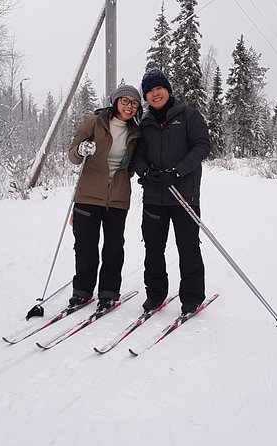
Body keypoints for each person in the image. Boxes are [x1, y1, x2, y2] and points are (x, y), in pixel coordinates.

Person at [133, 68, 211, 315]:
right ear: (145, 97)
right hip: (154, 196)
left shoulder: (188, 115)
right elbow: (137, 154)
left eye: (159, 89)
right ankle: (155, 294)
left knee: (188, 247)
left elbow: (202, 146)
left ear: (168, 90)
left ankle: (192, 296)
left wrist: (177, 172)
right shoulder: (144, 123)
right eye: (150, 91)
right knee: (153, 248)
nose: (155, 94)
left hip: (184, 195)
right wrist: (145, 173)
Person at [67, 84, 143, 311]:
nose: (129, 107)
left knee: (113, 247)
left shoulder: (136, 132)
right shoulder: (94, 122)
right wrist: (82, 149)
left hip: (118, 198)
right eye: (125, 101)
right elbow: (73, 156)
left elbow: (132, 165)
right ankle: (82, 291)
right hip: (88, 195)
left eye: (134, 103)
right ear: (115, 101)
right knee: (85, 246)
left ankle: (108, 292)